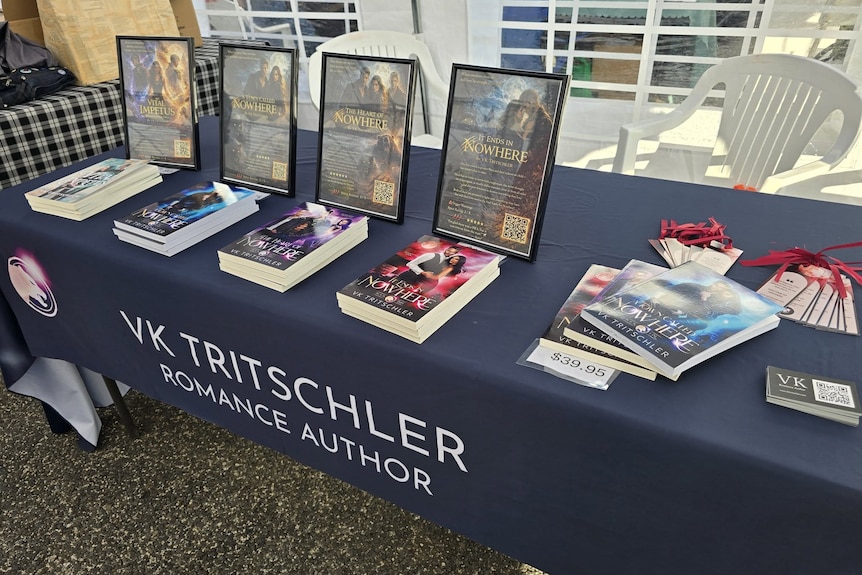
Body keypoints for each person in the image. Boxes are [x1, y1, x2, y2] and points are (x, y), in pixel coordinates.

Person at [397, 245, 466, 293]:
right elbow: (410, 264)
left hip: (423, 284)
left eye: (452, 252)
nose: (449, 252)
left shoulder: (448, 264)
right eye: (449, 250)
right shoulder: (431, 255)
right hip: (409, 277)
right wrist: (422, 272)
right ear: (447, 249)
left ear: (455, 253)